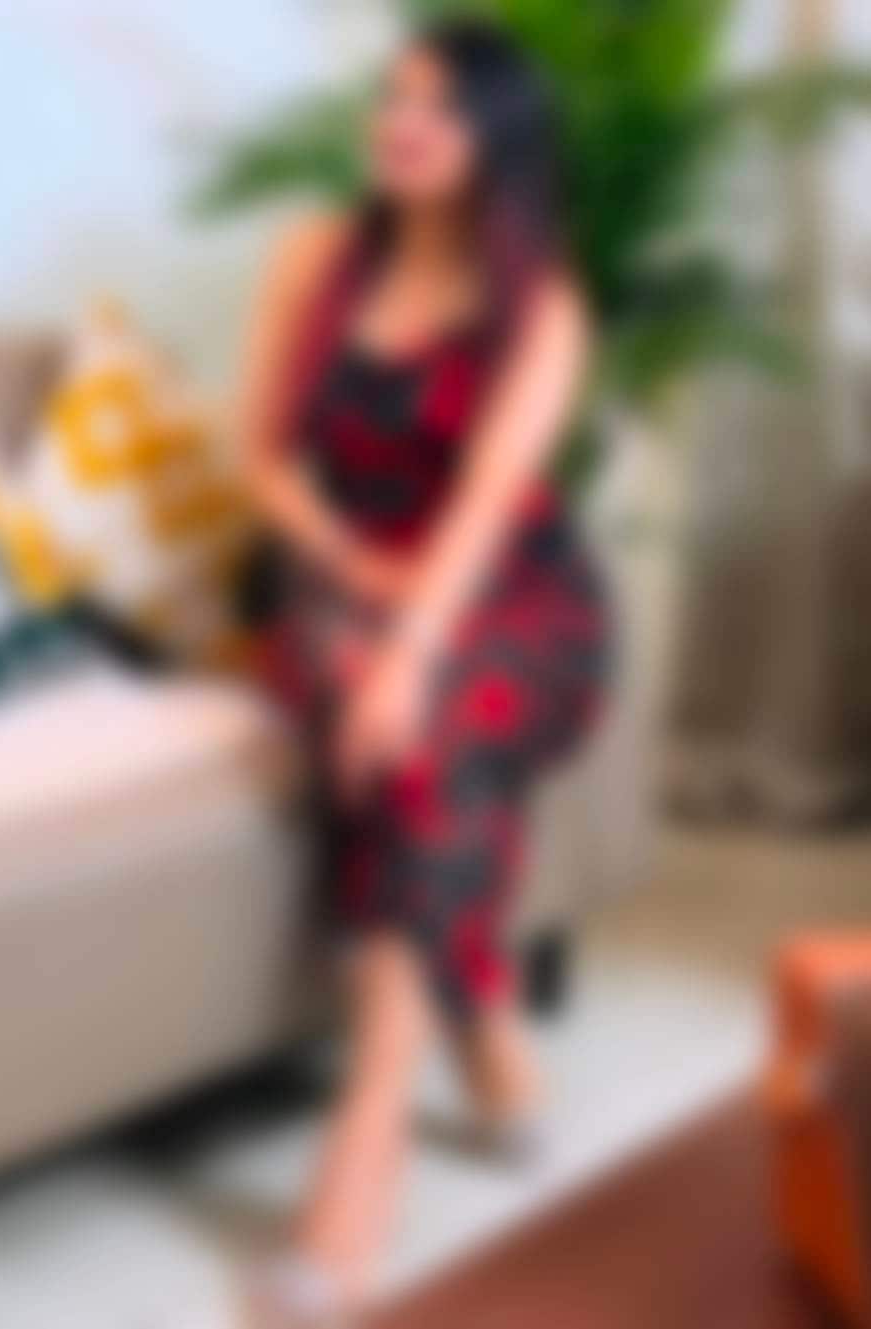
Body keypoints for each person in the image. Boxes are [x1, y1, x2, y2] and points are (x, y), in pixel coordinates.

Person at [237, 17, 612, 1326]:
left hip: (514, 595)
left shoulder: (543, 309)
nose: (402, 125)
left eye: (440, 110)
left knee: (422, 725)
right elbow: (262, 458)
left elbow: (487, 508)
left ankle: (373, 1115)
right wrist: (355, 571)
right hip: (341, 574)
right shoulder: (312, 256)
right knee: (406, 739)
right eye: (394, 98)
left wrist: (407, 648)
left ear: (496, 143)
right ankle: (484, 1018)